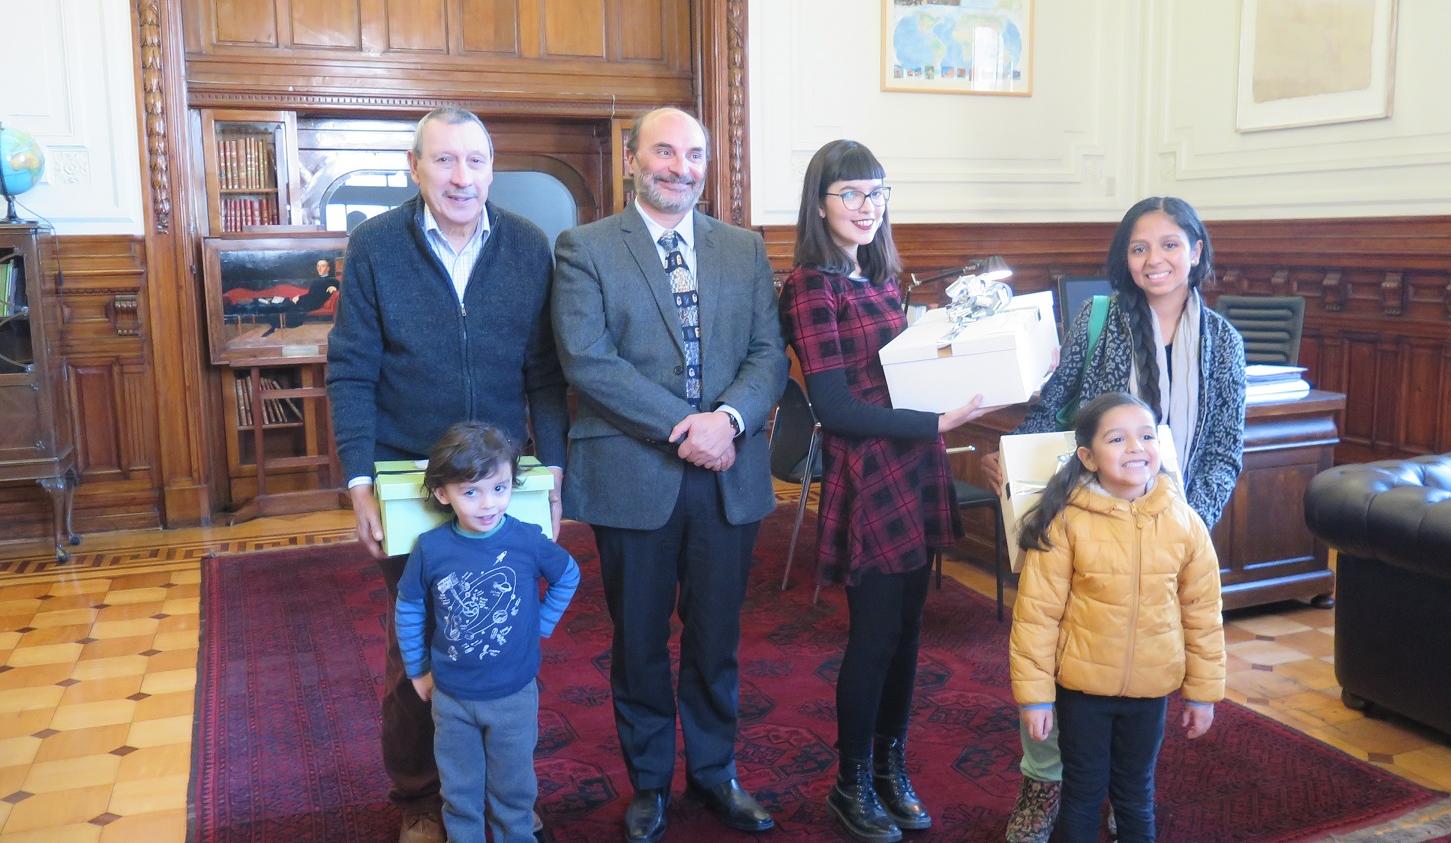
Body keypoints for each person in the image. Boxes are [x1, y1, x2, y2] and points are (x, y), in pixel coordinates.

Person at [327, 106, 568, 843]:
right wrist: (359, 482)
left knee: (497, 638)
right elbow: (351, 369)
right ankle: (421, 799)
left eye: (476, 161)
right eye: (444, 161)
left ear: (492, 169)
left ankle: (500, 794)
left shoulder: (528, 247)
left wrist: (552, 471)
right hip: (410, 483)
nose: (462, 177)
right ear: (415, 167)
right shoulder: (373, 246)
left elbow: (545, 372)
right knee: (419, 649)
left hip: (504, 483)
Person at [549, 106, 787, 843]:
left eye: (693, 154)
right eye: (663, 151)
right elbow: (588, 360)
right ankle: (649, 782)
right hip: (634, 472)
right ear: (631, 158)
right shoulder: (584, 247)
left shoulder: (742, 249)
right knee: (641, 640)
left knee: (717, 637)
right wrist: (689, 428)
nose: (679, 166)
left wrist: (731, 422)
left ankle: (716, 773)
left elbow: (767, 355)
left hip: (728, 473)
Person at [982, 196, 1245, 842]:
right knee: (1060, 644)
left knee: (1137, 663)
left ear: (1197, 251)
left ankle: (1119, 792)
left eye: (1169, 244)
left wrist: (1185, 526)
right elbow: (1053, 406)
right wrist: (1012, 463)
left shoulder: (1224, 342)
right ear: (1123, 259)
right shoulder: (1098, 320)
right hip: (1087, 518)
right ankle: (1043, 785)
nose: (1154, 259)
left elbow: (1222, 450)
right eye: (1138, 247)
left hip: (1166, 531)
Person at [777, 139, 992, 843]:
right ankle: (851, 782)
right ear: (819, 204)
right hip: (869, 474)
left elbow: (903, 374)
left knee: (907, 634)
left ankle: (891, 769)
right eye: (851, 195)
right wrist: (937, 418)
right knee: (872, 638)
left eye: (877, 193)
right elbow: (835, 407)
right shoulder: (812, 286)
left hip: (912, 465)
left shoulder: (878, 277)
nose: (868, 208)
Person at [1008, 392, 1226, 843]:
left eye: (1146, 435)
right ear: (1087, 457)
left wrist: (1202, 694)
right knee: (1083, 793)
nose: (1135, 447)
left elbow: (1203, 615)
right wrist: (1035, 697)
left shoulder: (1185, 523)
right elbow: (1036, 617)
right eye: (1117, 438)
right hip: (1083, 690)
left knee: (1134, 793)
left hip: (1150, 690)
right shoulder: (1066, 522)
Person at [395, 422, 581, 843]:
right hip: (453, 696)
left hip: (514, 695)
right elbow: (408, 608)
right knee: (458, 789)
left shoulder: (526, 540)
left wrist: (541, 624)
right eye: (470, 491)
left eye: (498, 488)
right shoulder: (430, 547)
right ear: (443, 494)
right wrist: (416, 669)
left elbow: (568, 575)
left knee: (513, 788)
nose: (487, 504)